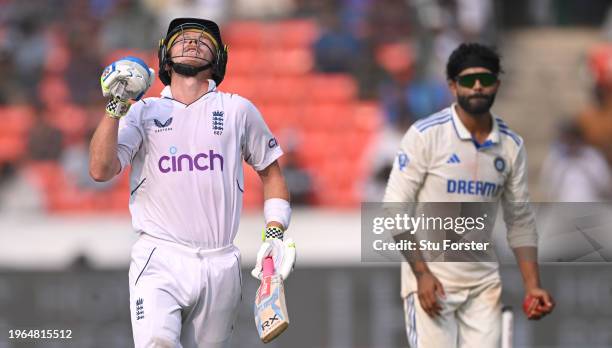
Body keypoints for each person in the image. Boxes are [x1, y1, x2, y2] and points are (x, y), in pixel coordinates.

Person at [89, 17, 296, 348]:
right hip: (159, 256)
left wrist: (275, 232)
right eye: (181, 38)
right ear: (165, 56)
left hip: (221, 262)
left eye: (204, 40)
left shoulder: (237, 110)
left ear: (218, 60)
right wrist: (115, 108)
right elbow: (100, 169)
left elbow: (271, 175)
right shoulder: (142, 112)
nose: (192, 41)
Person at [383, 43, 554, 347]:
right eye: (467, 80)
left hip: (483, 285)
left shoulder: (511, 145)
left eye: (486, 80)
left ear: (497, 85)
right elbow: (394, 208)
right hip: (431, 283)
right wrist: (421, 273)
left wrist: (533, 286)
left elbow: (520, 221)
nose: (477, 86)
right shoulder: (426, 135)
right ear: (452, 86)